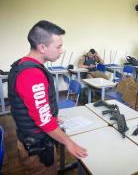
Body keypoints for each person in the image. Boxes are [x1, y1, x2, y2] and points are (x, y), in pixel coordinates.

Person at [8, 20, 88, 175]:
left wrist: (51, 115)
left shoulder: (22, 64)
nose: (62, 50)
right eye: (58, 46)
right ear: (42, 47)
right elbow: (43, 120)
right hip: (37, 147)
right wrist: (68, 142)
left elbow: (33, 107)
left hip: (31, 138)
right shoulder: (31, 74)